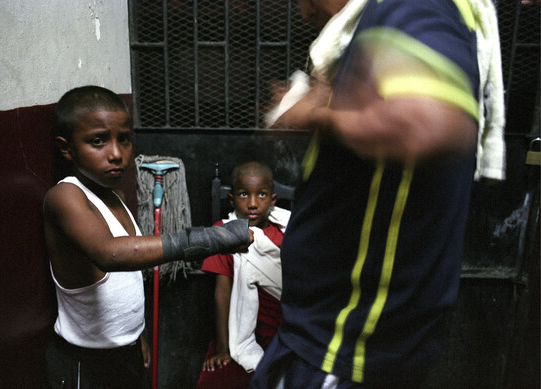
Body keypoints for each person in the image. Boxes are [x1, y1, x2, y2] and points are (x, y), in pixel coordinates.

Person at [251, 0, 484, 388]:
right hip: (325, 335)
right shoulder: (377, 23)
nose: (301, 12)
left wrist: (313, 115)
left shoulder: (409, 7)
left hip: (346, 342)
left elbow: (429, 123)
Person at [43, 85, 253, 389]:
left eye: (124, 139)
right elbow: (110, 254)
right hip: (86, 364)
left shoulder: (114, 194)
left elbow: (121, 284)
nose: (116, 154)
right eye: (98, 141)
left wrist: (134, 335)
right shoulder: (65, 196)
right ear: (67, 148)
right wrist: (211, 238)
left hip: (125, 354)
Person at [196, 161, 291, 389]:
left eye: (261, 194)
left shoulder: (286, 232)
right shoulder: (224, 232)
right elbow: (222, 293)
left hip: (285, 327)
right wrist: (222, 349)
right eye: (243, 194)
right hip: (246, 329)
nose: (252, 203)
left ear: (273, 200)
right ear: (231, 200)